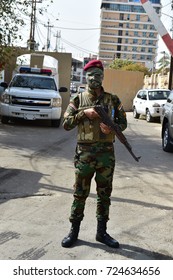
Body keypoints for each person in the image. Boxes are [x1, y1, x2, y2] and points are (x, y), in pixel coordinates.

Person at [61, 59, 127, 248]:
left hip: (106, 155)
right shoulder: (78, 99)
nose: (94, 79)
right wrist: (84, 114)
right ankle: (74, 232)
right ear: (86, 76)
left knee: (104, 194)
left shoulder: (112, 99)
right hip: (84, 155)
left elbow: (123, 124)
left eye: (98, 75)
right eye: (91, 75)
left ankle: (101, 232)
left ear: (102, 77)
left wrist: (112, 129)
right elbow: (66, 124)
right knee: (79, 194)